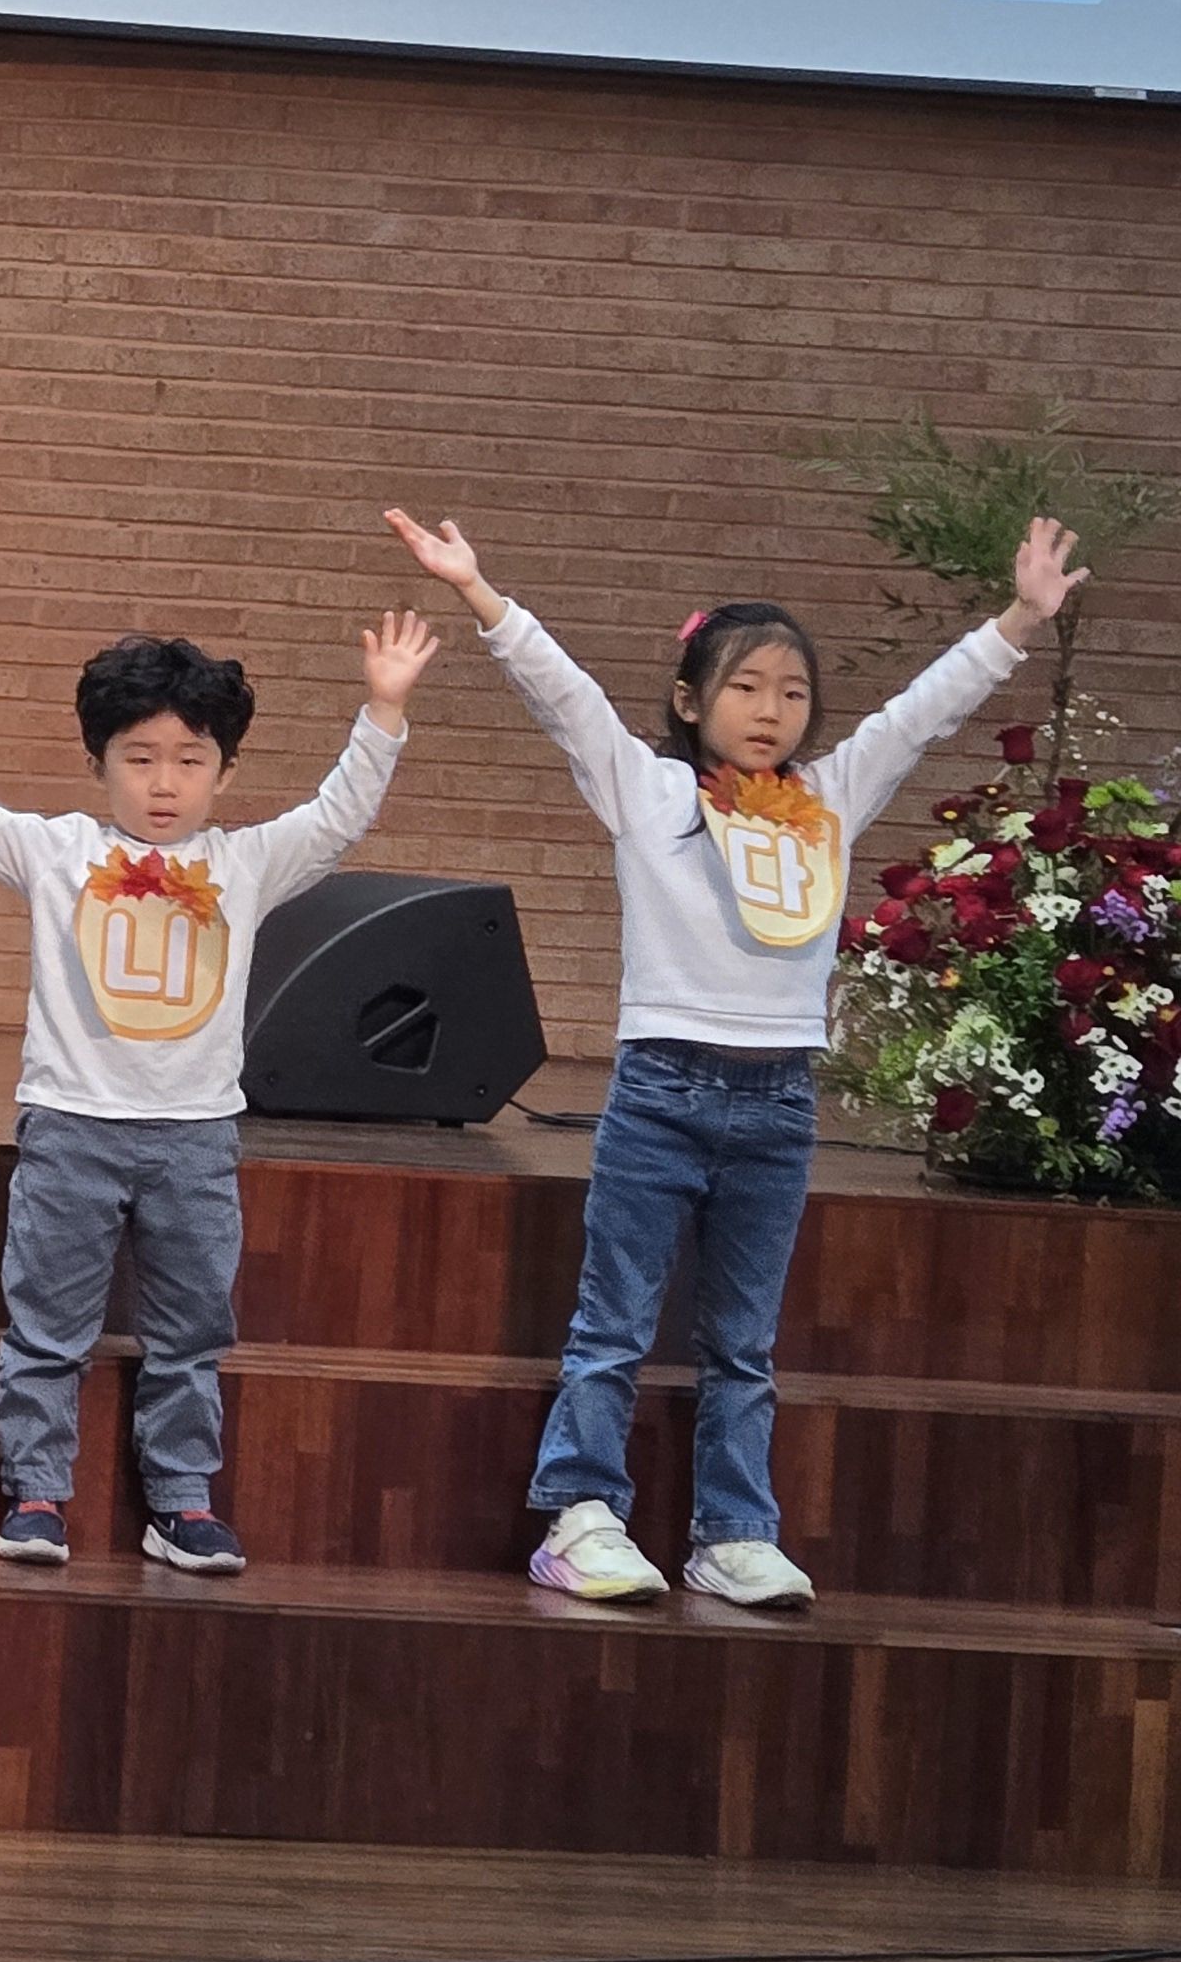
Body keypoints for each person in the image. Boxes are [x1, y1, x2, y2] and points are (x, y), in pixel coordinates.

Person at [386, 507, 1083, 1611]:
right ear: (689, 701)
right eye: (747, 686)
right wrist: (478, 590)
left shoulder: (829, 798)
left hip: (777, 1101)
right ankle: (580, 1515)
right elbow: (561, 693)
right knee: (612, 1324)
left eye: (792, 692)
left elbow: (922, 711)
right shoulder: (649, 790)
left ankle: (733, 1531)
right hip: (660, 1089)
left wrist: (1019, 618)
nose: (771, 710)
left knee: (744, 1342)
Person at [0, 606, 436, 1571]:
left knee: (190, 1332)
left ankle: (181, 1500)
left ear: (224, 773)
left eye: (190, 760)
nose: (163, 782)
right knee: (48, 1326)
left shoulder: (245, 863)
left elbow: (338, 815)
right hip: (72, 1126)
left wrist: (384, 710)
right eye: (139, 758)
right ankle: (36, 1494)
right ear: (99, 763)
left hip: (194, 1138)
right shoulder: (58, 851)